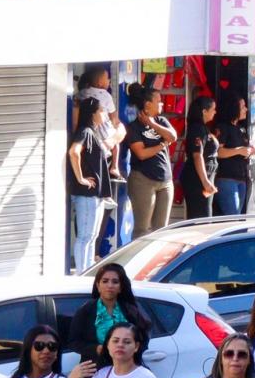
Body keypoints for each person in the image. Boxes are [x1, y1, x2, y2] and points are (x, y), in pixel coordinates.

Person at [64, 263, 152, 363]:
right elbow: (73, 342)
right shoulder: (86, 310)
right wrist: (96, 349)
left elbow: (144, 338)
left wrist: (129, 353)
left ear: (120, 287)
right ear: (98, 285)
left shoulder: (131, 309)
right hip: (95, 370)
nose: (110, 286)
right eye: (105, 281)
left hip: (126, 368)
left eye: (115, 282)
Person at [121, 83, 177, 236]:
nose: (162, 103)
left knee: (161, 229)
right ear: (147, 104)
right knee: (142, 229)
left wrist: (152, 123)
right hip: (143, 180)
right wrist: (162, 144)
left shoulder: (161, 121)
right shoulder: (133, 127)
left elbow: (173, 136)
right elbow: (141, 153)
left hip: (165, 181)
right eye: (159, 101)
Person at [66, 95, 112, 272]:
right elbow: (73, 152)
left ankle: (87, 271)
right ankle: (81, 272)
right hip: (86, 194)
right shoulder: (85, 131)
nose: (104, 114)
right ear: (93, 113)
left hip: (96, 194)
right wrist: (81, 178)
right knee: (85, 236)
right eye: (101, 110)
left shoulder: (93, 132)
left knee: (92, 236)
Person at [211, 94, 254, 216]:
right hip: (226, 178)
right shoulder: (222, 127)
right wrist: (239, 150)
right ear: (233, 109)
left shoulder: (242, 129)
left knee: (237, 216)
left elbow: (243, 150)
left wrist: (249, 151)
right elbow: (218, 152)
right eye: (243, 107)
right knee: (232, 216)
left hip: (242, 178)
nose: (246, 109)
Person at [179, 94, 221, 221]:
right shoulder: (197, 129)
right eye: (213, 109)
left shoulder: (204, 128)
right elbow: (197, 155)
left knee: (205, 216)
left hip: (207, 175)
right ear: (204, 111)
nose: (215, 112)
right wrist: (205, 181)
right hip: (197, 180)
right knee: (201, 218)